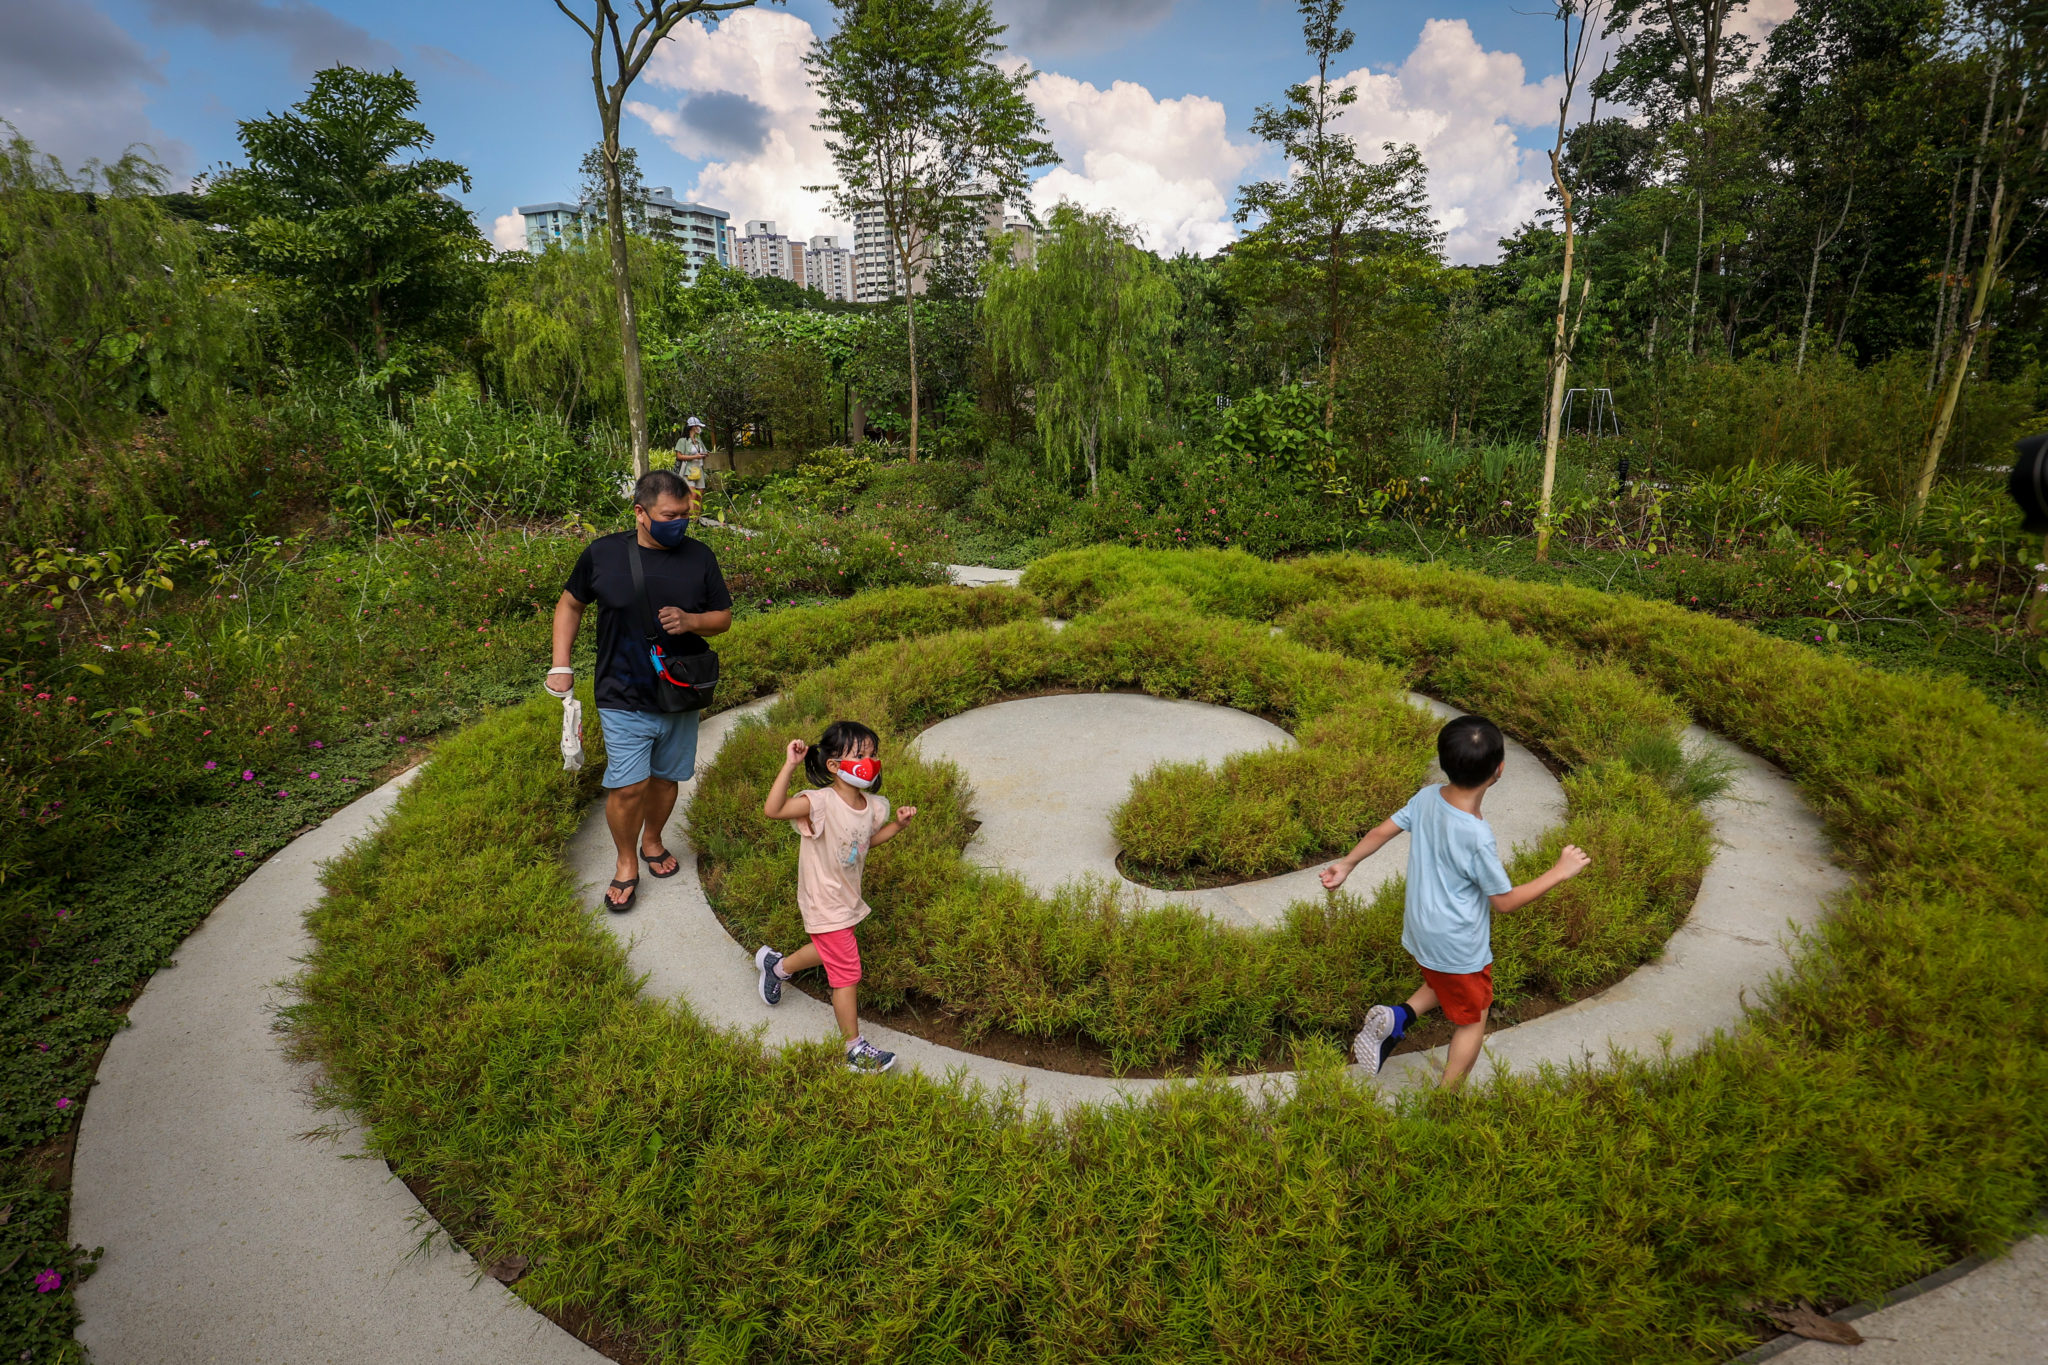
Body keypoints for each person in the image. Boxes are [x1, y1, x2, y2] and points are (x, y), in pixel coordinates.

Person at [1320, 715, 1591, 1089]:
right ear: (1499, 770)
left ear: (1443, 762)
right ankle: (1447, 1100)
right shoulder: (1476, 836)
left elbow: (1383, 829)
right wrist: (1560, 870)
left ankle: (1398, 1018)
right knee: (1473, 1016)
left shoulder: (1428, 796)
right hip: (1458, 941)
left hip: (1420, 928)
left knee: (1441, 977)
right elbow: (1505, 902)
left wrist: (1347, 864)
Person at [546, 468, 732, 913]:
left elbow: (722, 617)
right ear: (641, 513)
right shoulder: (603, 554)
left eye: (686, 513)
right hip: (621, 691)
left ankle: (652, 840)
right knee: (629, 787)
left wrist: (690, 621)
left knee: (667, 780)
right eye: (671, 514)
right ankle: (626, 860)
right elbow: (570, 604)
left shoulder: (699, 557)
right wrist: (560, 663)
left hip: (680, 693)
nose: (681, 522)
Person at [753, 721, 918, 1074]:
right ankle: (854, 1049)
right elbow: (773, 809)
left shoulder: (871, 806)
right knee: (846, 972)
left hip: (847, 897)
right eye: (860, 755)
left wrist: (898, 826)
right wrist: (790, 765)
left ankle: (776, 967)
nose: (870, 761)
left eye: (873, 754)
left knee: (828, 949)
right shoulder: (819, 803)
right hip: (822, 898)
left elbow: (865, 843)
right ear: (833, 765)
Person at [673, 417, 710, 512]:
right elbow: (679, 456)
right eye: (698, 426)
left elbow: (704, 452)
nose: (699, 428)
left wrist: (704, 455)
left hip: (699, 469)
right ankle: (692, 520)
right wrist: (695, 457)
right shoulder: (683, 440)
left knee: (700, 494)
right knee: (692, 495)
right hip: (688, 471)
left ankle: (697, 519)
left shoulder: (699, 440)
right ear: (693, 427)